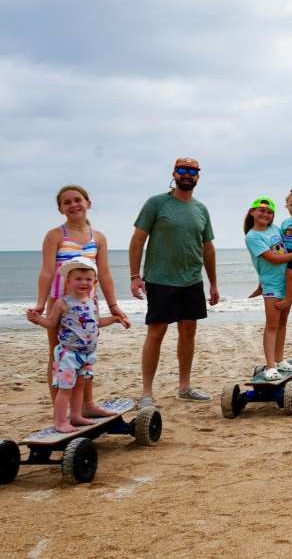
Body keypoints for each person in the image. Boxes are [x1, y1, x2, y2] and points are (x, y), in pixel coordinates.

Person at [31, 185, 128, 417]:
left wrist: (114, 306)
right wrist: (41, 304)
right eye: (67, 202)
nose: (73, 205)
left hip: (87, 304)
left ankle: (87, 405)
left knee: (85, 351)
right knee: (59, 353)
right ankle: (60, 411)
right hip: (60, 303)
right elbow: (46, 272)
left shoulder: (99, 238)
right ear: (60, 209)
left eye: (78, 200)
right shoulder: (55, 235)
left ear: (88, 203)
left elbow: (104, 274)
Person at [130, 158, 219, 408]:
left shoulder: (201, 209)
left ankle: (185, 387)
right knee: (156, 332)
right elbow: (137, 240)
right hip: (160, 280)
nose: (187, 175)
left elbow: (208, 248)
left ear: (198, 177)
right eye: (183, 170)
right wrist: (134, 276)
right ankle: (146, 393)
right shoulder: (157, 203)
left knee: (188, 332)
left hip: (191, 280)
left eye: (193, 171)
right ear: (174, 174)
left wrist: (213, 283)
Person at [26, 258, 130, 432]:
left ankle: (76, 416)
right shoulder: (63, 303)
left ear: (94, 282)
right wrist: (37, 320)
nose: (84, 282)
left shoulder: (93, 302)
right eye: (78, 279)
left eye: (88, 279)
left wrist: (114, 319)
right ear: (68, 281)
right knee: (65, 389)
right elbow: (51, 323)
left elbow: (96, 322)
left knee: (80, 385)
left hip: (87, 354)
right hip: (68, 355)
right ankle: (60, 422)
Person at [244, 197, 292, 380]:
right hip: (272, 285)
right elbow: (271, 259)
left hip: (287, 282)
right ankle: (271, 365)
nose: (265, 214)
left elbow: (288, 245)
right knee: (272, 325)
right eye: (261, 210)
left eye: (269, 212)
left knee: (282, 323)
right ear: (252, 212)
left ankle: (280, 359)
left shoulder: (275, 229)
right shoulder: (253, 236)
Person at [250, 189, 292, 312]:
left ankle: (288, 299)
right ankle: (260, 287)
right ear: (287, 206)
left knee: (291, 275)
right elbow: (281, 236)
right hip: (286, 250)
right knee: (272, 270)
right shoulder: (285, 222)